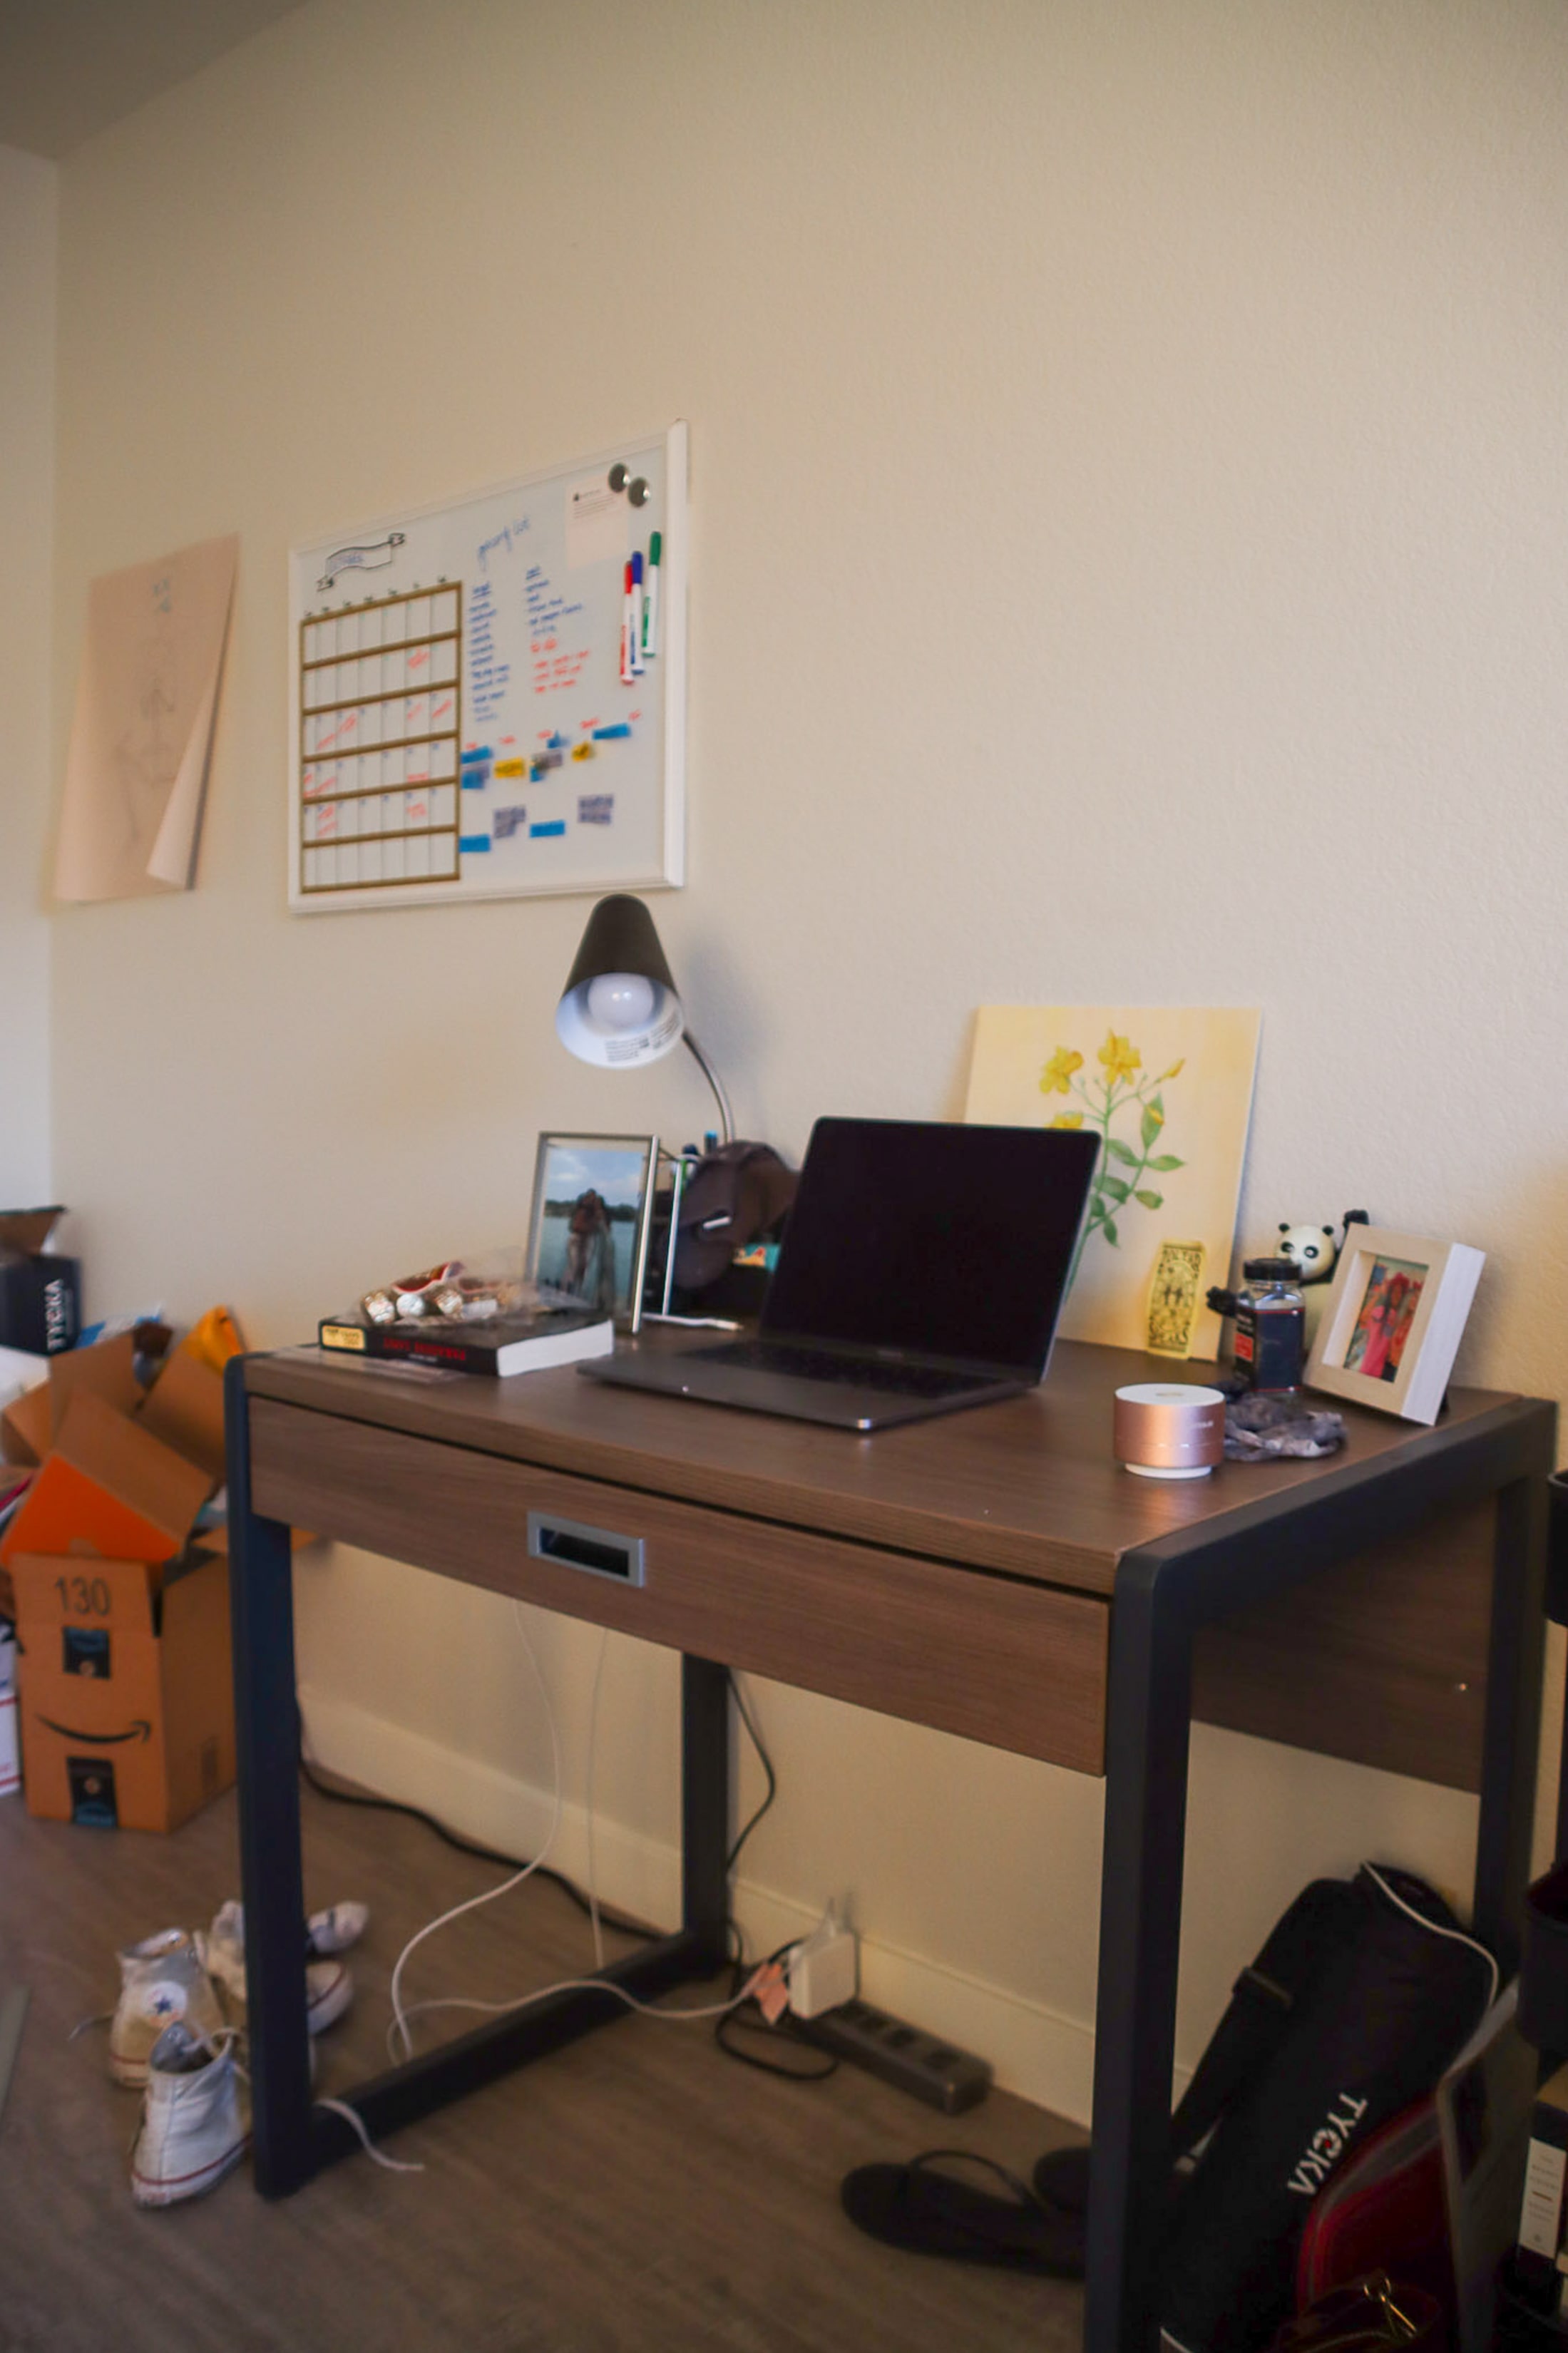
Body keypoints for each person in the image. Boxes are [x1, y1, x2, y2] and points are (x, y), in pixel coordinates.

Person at [563, 1189, 618, 1316]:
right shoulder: (575, 1239)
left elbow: (605, 1232)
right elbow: (576, 1228)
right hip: (582, 1246)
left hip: (595, 1308)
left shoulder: (601, 1240)